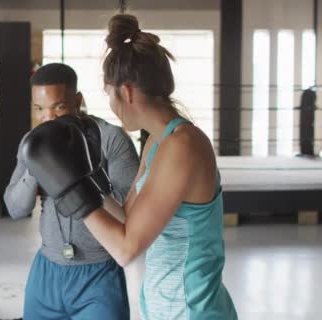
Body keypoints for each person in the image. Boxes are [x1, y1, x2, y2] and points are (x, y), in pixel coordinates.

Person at [21, 14, 238, 320]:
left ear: (127, 91)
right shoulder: (157, 142)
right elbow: (127, 218)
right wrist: (89, 177)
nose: (109, 103)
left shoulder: (183, 146)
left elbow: (125, 250)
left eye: (109, 93)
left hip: (193, 312)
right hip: (166, 308)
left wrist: (71, 190)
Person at [3, 63, 139, 319]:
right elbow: (15, 209)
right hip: (47, 272)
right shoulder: (31, 143)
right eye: (39, 109)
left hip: (98, 273)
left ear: (77, 101)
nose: (48, 119)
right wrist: (37, 166)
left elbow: (129, 214)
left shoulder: (111, 139)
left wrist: (84, 174)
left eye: (58, 107)